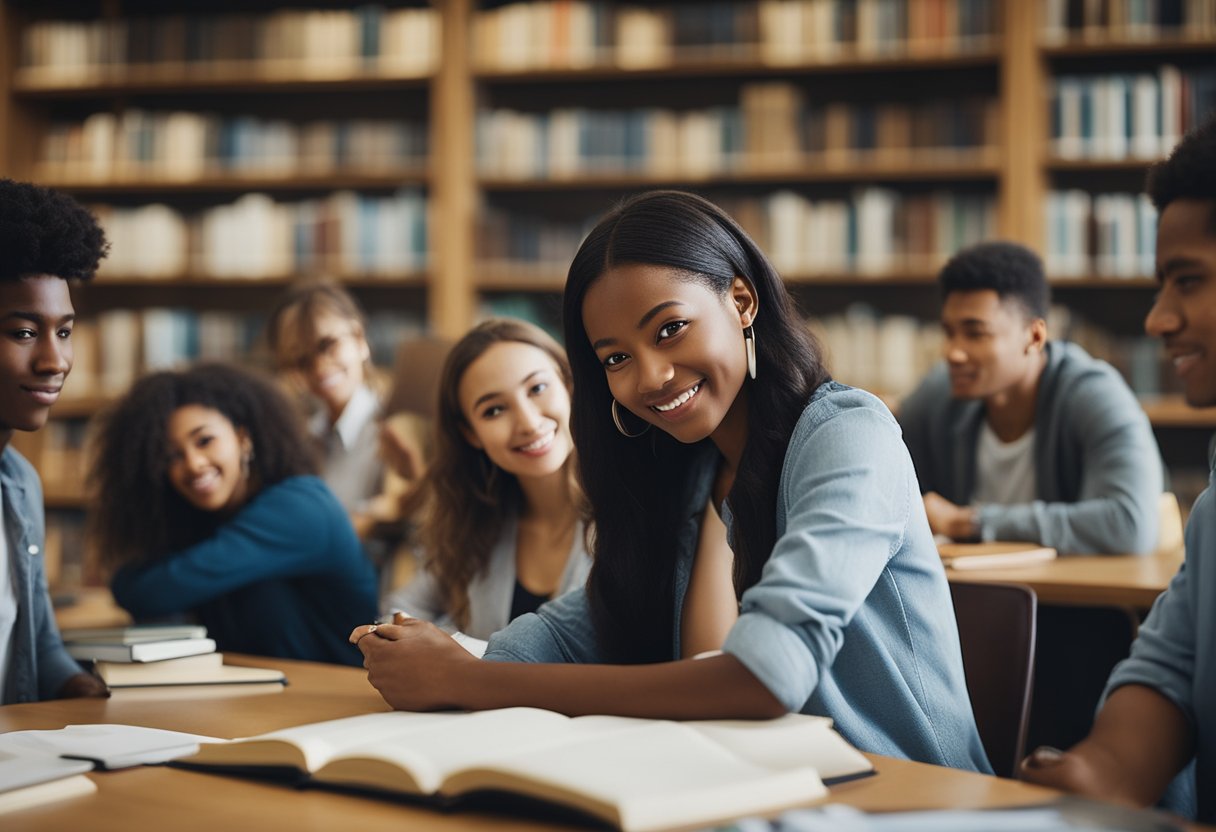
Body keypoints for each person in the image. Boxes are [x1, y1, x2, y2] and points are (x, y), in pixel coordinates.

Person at [352, 190, 989, 773]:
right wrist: (440, 654)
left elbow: (765, 678)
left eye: (670, 329)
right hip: (773, 788)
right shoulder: (689, 469)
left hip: (911, 796)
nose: (651, 376)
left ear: (742, 301)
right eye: (617, 358)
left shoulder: (849, 433)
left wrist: (472, 682)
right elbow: (588, 622)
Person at [1021, 117, 1216, 823]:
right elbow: (1173, 658)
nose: (1160, 319)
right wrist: (1101, 768)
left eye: (1188, 280)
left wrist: (974, 518)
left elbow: (1129, 521)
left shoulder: (1089, 390)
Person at [90, 363, 378, 666]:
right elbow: (130, 584)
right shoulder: (211, 520)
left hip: (340, 693)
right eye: (172, 456)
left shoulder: (299, 507)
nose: (194, 464)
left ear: (243, 438)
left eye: (205, 441)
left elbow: (149, 591)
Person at [899, 240, 1163, 555]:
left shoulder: (1094, 393)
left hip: (1074, 597)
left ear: (1034, 336)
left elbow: (1129, 525)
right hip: (971, 595)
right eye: (949, 332)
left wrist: (969, 522)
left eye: (975, 333)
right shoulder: (938, 395)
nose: (952, 352)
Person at [380, 318, 591, 641]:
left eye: (537, 388)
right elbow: (399, 610)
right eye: (494, 410)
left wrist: (462, 654)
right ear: (470, 433)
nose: (528, 423)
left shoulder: (629, 513)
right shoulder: (474, 522)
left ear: (568, 384)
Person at [0, 178, 108, 703]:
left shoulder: (20, 485)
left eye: (63, 331)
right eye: (23, 332)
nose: (55, 361)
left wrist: (86, 689)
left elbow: (39, 646)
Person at [266, 280, 419, 537]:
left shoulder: (398, 429)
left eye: (328, 346)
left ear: (360, 340)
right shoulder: (304, 440)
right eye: (302, 361)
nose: (319, 367)